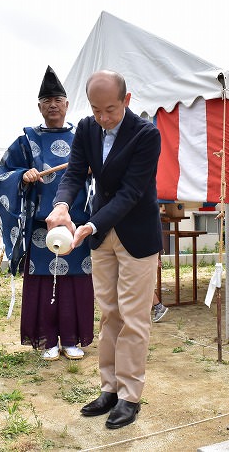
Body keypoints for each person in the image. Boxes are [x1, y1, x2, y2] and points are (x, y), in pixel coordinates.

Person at [46, 70, 161, 429]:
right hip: (100, 237)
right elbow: (74, 174)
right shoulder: (87, 128)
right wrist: (62, 205)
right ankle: (109, 388)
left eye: (110, 109)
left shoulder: (147, 134)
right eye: (96, 110)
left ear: (126, 101)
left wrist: (92, 224)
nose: (103, 118)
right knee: (109, 313)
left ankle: (130, 395)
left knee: (133, 315)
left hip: (136, 235)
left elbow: (130, 192)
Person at [0, 66, 94, 361]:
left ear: (66, 105)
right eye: (46, 101)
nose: (52, 105)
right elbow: (3, 175)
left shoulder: (83, 138)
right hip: (40, 228)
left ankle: (73, 339)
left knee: (76, 282)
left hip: (75, 225)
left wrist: (92, 170)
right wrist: (22, 176)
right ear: (39, 107)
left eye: (57, 100)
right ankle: (48, 340)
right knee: (41, 283)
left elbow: (105, 170)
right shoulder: (26, 140)